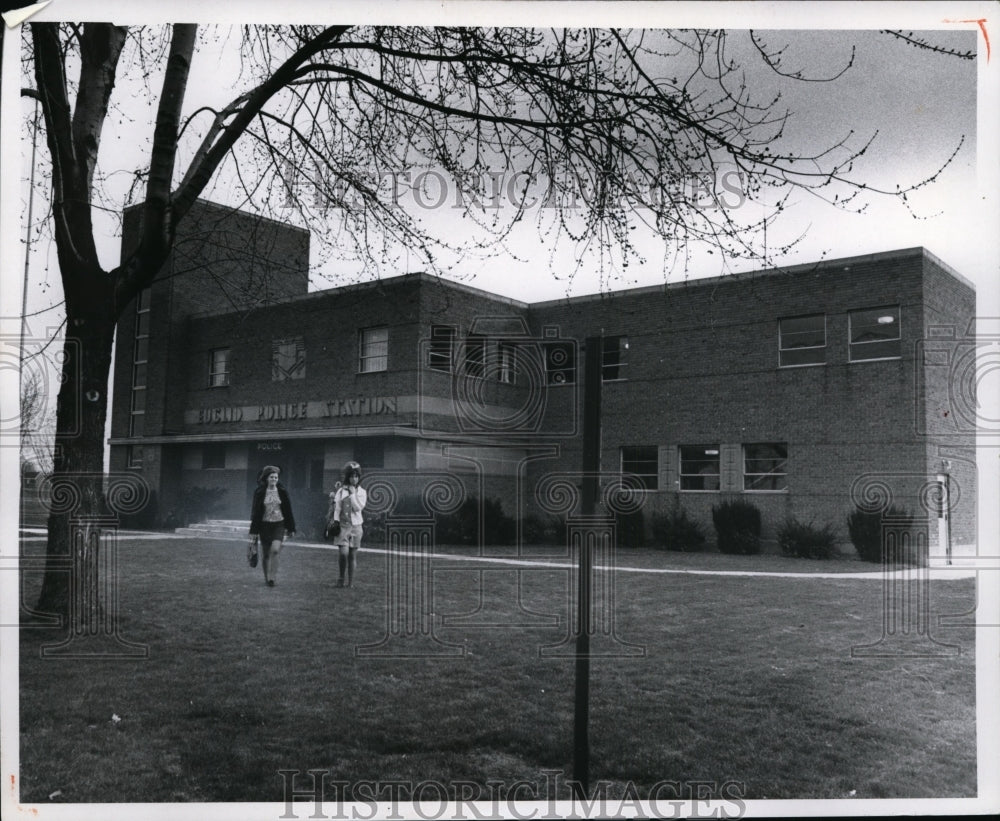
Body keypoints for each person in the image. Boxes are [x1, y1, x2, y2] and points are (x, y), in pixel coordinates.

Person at [249, 465, 296, 587]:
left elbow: (288, 510)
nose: (274, 479)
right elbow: (255, 512)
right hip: (264, 526)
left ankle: (272, 577)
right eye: (272, 477)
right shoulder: (259, 492)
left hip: (279, 524)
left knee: (275, 550)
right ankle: (266, 578)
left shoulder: (282, 491)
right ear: (266, 478)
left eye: (276, 477)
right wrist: (253, 531)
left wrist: (291, 528)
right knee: (265, 554)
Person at [328, 461, 366, 588]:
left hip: (356, 527)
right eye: (351, 476)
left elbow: (358, 508)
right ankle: (341, 578)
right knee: (343, 553)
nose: (354, 479)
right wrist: (335, 522)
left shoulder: (362, 492)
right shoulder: (340, 491)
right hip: (343, 526)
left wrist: (353, 494)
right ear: (347, 477)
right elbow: (337, 508)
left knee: (352, 555)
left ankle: (350, 582)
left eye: (356, 476)